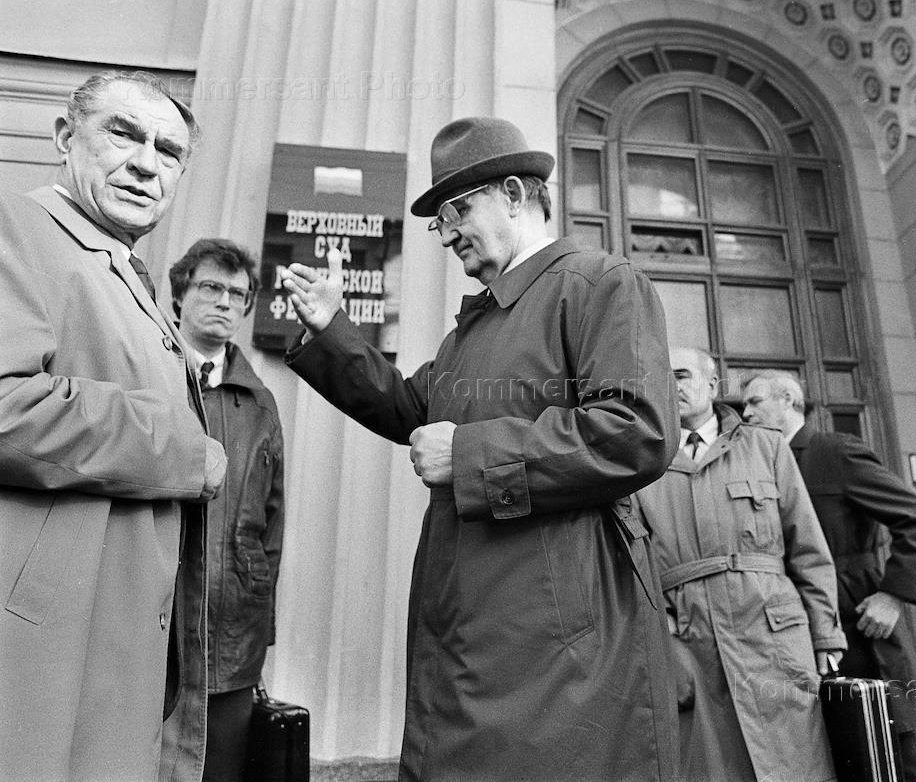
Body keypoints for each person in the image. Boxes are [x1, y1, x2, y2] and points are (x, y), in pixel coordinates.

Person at [279, 116, 680, 781]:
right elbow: (409, 410)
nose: (446, 234)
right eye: (438, 221)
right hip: (473, 624)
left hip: (555, 646)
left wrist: (468, 455)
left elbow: (637, 429)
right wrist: (332, 329)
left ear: (515, 194)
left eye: (456, 211)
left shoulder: (599, 282)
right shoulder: (474, 328)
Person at [0, 71, 225, 782]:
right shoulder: (16, 227)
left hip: (106, 641)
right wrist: (182, 449)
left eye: (169, 151)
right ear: (65, 138)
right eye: (123, 134)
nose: (147, 163)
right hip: (37, 655)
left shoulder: (119, 264)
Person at [633, 348, 844, 781]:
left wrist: (825, 634)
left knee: (795, 759)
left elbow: (807, 547)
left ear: (712, 385)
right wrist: (663, 632)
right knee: (714, 766)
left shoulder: (766, 446)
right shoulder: (643, 465)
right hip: (691, 637)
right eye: (661, 376)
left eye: (682, 375)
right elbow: (635, 565)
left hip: (772, 632)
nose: (671, 385)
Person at [742, 370, 916, 782]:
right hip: (797, 621)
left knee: (898, 745)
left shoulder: (834, 452)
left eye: (754, 402)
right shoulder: (761, 463)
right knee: (838, 748)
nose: (745, 413)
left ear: (788, 400)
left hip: (858, 618)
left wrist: (892, 596)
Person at [168, 239, 285, 782]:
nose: (224, 301)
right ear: (179, 295)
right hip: (157, 617)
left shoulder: (259, 404)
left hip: (232, 629)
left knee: (221, 771)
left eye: (237, 294)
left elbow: (272, 525)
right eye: (211, 287)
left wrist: (260, 624)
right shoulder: (148, 373)